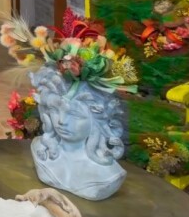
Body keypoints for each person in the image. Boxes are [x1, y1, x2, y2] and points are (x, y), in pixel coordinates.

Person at [30, 67, 127, 201]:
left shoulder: (108, 174)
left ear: (97, 121)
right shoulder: (40, 149)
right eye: (55, 110)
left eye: (74, 114)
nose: (62, 121)